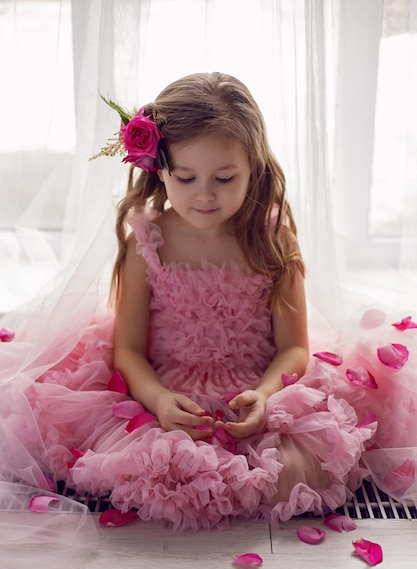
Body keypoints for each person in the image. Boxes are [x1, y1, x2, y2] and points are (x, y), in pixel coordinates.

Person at [1, 72, 416, 532]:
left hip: (256, 388)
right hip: (166, 390)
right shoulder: (149, 241)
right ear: (158, 168)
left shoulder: (270, 239)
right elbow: (129, 350)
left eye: (223, 177)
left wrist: (264, 395)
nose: (204, 194)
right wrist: (158, 400)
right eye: (186, 177)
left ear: (254, 168)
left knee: (285, 475)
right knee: (163, 474)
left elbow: (294, 348)